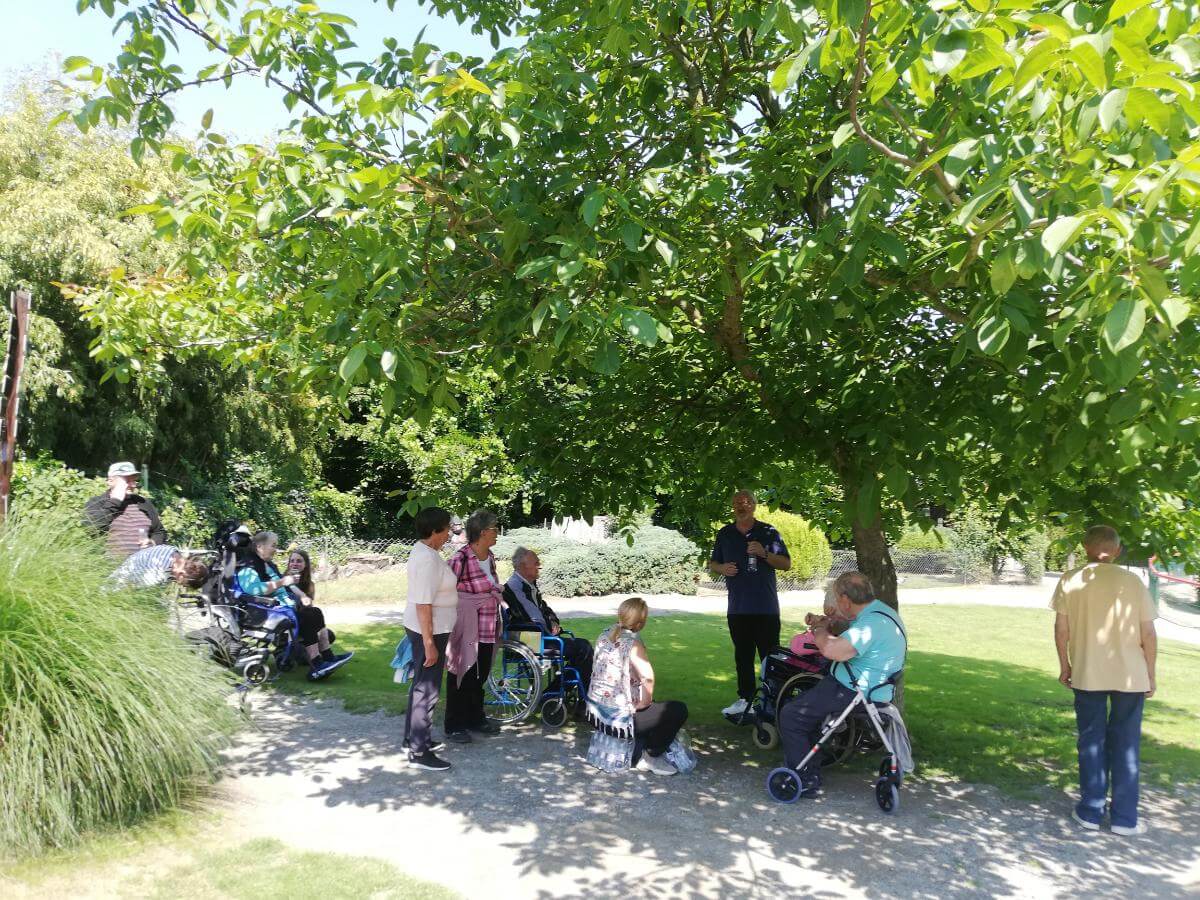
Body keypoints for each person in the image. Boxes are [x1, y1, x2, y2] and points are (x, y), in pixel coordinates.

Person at [1052, 525, 1157, 836]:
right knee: (1127, 743)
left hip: (1087, 672)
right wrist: (1150, 674)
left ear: (1085, 547)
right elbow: (1148, 633)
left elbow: (1061, 629)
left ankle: (1090, 811)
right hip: (1131, 675)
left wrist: (1065, 665)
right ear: (1118, 551)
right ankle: (1125, 818)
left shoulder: (1070, 580)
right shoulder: (1133, 582)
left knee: (1091, 741)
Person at [778, 571, 906, 798]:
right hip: (877, 688)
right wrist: (830, 624)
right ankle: (810, 763)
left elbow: (832, 650)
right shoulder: (882, 613)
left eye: (838, 598)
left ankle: (805, 778)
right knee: (811, 712)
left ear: (846, 600)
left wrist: (819, 629)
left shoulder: (871, 624)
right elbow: (852, 635)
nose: (837, 603)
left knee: (791, 715)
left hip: (853, 691)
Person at [708, 490, 792, 718]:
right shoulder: (725, 533)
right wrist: (722, 568)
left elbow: (786, 564)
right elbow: (713, 563)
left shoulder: (768, 531)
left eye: (746, 502)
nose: (741, 506)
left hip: (765, 608)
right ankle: (745, 700)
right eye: (737, 502)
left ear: (754, 506)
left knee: (770, 657)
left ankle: (771, 702)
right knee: (743, 657)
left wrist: (764, 553)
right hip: (738, 608)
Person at [585, 597, 689, 775]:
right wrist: (645, 702)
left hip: (596, 714)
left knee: (651, 707)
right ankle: (650, 757)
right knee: (677, 710)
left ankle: (638, 745)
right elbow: (647, 678)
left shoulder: (604, 635)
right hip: (619, 720)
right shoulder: (633, 644)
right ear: (641, 623)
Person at [236, 531, 350, 681]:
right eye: (273, 545)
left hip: (281, 608)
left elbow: (285, 584)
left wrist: (302, 595)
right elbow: (254, 590)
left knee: (315, 612)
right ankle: (316, 664)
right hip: (265, 611)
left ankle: (328, 657)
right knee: (308, 616)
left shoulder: (267, 564)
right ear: (259, 546)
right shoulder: (248, 566)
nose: (276, 549)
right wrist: (282, 582)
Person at [403, 506, 458, 771]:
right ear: (435, 530)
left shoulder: (427, 553)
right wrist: (429, 644)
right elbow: (423, 604)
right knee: (427, 690)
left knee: (422, 686)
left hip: (432, 631)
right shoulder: (426, 559)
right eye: (447, 528)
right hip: (429, 633)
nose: (449, 533)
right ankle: (419, 752)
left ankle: (413, 739)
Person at [444, 509, 504, 743]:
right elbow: (445, 591)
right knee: (462, 672)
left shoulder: (490, 556)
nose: (497, 533)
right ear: (482, 532)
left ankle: (475, 718)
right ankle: (454, 725)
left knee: (481, 673)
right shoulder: (460, 559)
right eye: (494, 529)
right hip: (466, 626)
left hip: (488, 625)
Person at [503, 546, 594, 694]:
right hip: (529, 641)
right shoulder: (515, 586)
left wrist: (553, 622)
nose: (539, 565)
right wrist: (548, 627)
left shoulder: (529, 585)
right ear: (523, 566)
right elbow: (532, 616)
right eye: (536, 563)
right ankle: (554, 695)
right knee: (583, 648)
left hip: (536, 638)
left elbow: (545, 610)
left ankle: (558, 694)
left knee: (582, 648)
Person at [83, 462, 167, 559]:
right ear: (110, 481)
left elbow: (159, 531)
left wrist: (152, 543)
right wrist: (116, 500)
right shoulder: (97, 503)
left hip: (143, 563)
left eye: (134, 480)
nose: (133, 485)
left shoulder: (143, 503)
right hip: (109, 564)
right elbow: (91, 528)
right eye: (127, 481)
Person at [111, 544, 209, 589]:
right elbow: (130, 588)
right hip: (114, 590)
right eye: (184, 584)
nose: (181, 586)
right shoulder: (160, 570)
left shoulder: (172, 551)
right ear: (182, 574)